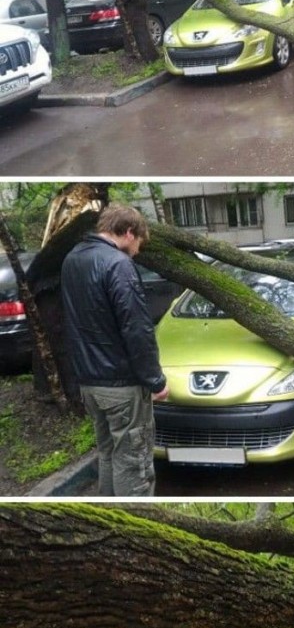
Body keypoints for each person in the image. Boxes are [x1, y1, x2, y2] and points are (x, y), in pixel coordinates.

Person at [61, 203, 169, 496]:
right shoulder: (118, 264)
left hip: (90, 382)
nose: (137, 251)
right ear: (129, 233)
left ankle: (109, 507)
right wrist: (156, 380)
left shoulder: (73, 259)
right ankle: (135, 519)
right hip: (121, 384)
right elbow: (137, 329)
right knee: (133, 462)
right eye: (139, 244)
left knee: (108, 453)